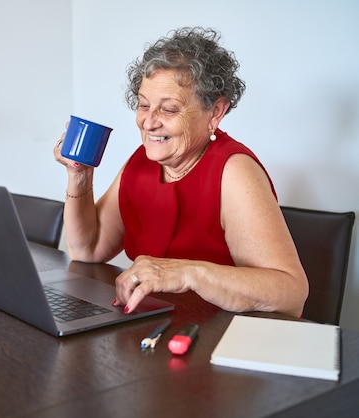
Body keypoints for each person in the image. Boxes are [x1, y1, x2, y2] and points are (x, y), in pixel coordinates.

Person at [53, 27, 308, 317]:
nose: (149, 122)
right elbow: (88, 249)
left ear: (215, 112)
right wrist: (80, 174)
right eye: (143, 105)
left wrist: (191, 273)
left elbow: (292, 293)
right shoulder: (142, 162)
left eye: (169, 110)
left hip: (219, 335)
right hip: (156, 324)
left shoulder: (233, 171)